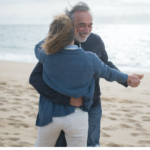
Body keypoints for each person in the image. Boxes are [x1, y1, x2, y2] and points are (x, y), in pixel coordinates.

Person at [29, 2, 143, 147]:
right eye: (82, 25)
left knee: (92, 145)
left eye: (90, 25)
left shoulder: (96, 40)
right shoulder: (54, 46)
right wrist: (65, 99)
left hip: (93, 105)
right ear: (69, 24)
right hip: (61, 108)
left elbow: (105, 65)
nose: (87, 30)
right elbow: (35, 78)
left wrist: (126, 79)